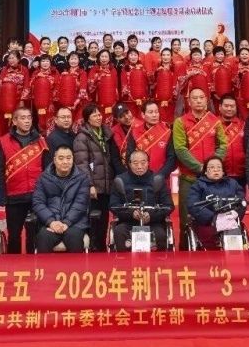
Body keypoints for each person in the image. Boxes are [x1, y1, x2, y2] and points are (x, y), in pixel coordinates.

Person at [172, 88, 227, 249]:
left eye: (201, 97)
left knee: (213, 217)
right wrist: (201, 168)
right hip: (188, 178)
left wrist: (213, 166)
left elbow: (223, 145)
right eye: (194, 98)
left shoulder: (215, 121)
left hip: (212, 181)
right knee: (186, 220)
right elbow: (180, 149)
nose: (198, 101)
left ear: (206, 100)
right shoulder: (180, 122)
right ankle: (185, 252)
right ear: (189, 102)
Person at [0, 106, 48, 254]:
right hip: (14, 197)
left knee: (36, 234)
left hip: (37, 196)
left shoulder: (41, 141)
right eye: (23, 118)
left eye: (29, 118)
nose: (27, 121)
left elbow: (47, 169)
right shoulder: (3, 142)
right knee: (14, 236)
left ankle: (35, 263)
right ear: (15, 121)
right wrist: (2, 196)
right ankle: (13, 264)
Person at [73, 104, 121, 252]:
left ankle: (101, 248)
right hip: (93, 187)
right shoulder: (82, 137)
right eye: (94, 115)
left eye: (99, 114)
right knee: (93, 219)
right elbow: (82, 164)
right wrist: (90, 185)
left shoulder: (106, 134)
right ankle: (92, 248)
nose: (99, 117)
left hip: (107, 185)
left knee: (104, 219)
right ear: (87, 119)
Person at [110, 150, 174, 251]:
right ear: (129, 164)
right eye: (135, 163)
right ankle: (124, 260)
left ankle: (158, 261)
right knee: (119, 231)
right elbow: (113, 205)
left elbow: (169, 205)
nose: (139, 166)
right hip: (128, 221)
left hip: (153, 222)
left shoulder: (158, 179)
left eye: (143, 163)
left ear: (148, 163)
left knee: (160, 235)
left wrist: (151, 215)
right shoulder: (120, 180)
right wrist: (131, 213)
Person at [31, 146, 91, 253]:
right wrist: (51, 222)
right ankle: (43, 265)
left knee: (74, 237)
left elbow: (81, 204)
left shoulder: (82, 178)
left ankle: (77, 265)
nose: (65, 162)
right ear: (54, 160)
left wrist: (66, 222)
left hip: (74, 224)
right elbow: (38, 203)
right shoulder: (43, 178)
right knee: (43, 237)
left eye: (68, 158)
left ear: (73, 159)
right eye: (61, 158)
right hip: (50, 223)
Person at [187, 157, 247, 251]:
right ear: (205, 171)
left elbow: (242, 202)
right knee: (209, 237)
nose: (216, 170)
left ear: (223, 171)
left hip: (231, 219)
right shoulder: (198, 185)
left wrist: (235, 214)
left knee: (239, 238)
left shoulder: (233, 183)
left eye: (219, 167)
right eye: (211, 167)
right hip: (208, 221)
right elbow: (193, 205)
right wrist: (212, 218)